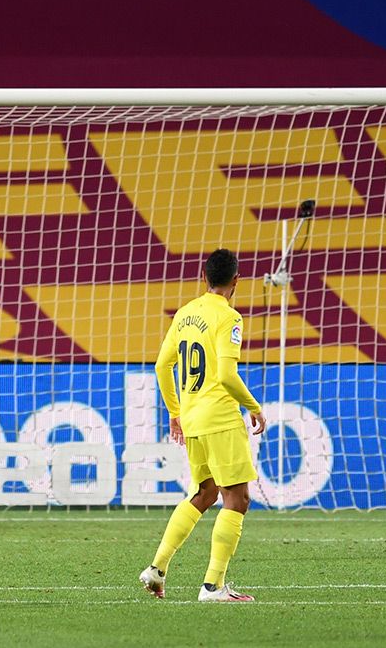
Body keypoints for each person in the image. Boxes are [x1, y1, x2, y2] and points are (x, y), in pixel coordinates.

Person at [139, 248, 266, 602]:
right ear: (236, 280)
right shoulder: (230, 318)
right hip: (220, 418)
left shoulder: (185, 313)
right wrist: (254, 407)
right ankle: (213, 586)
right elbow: (227, 375)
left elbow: (162, 366)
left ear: (203, 276)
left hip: (193, 418)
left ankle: (157, 568)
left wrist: (175, 412)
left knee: (206, 493)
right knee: (237, 499)